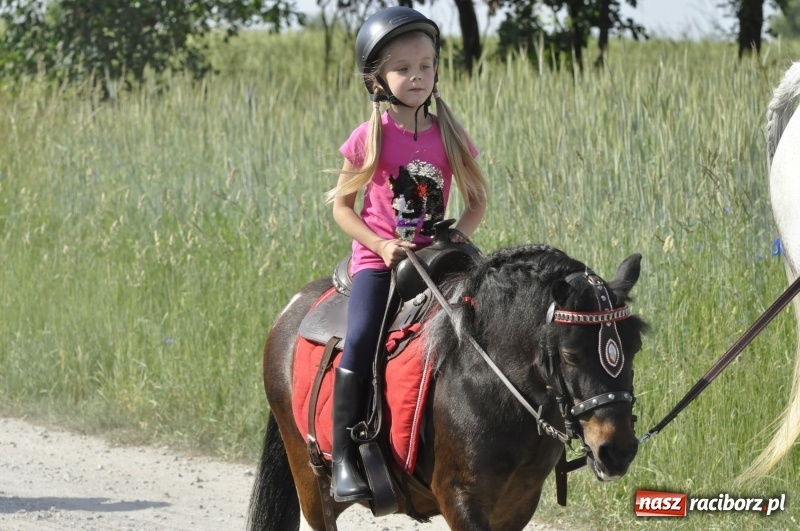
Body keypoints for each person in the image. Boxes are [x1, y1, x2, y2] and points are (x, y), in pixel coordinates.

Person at [325, 6, 489, 502]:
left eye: (426, 66)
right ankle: (343, 457)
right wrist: (379, 244)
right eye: (403, 68)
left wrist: (456, 236)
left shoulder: (449, 134)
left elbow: (477, 202)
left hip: (437, 257)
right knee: (360, 339)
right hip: (380, 260)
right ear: (378, 79)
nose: (417, 76)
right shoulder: (369, 137)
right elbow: (342, 209)